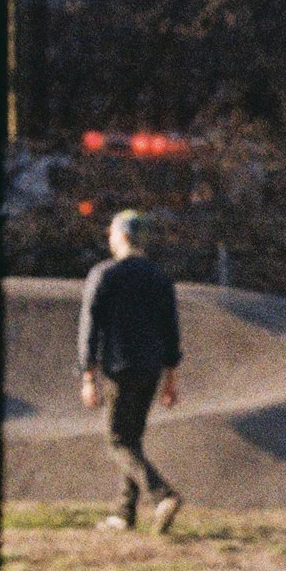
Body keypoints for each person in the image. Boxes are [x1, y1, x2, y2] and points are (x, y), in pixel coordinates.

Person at [76, 210, 184, 531]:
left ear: (122, 236)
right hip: (149, 371)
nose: (109, 239)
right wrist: (171, 380)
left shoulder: (104, 274)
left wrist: (88, 375)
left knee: (117, 442)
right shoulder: (160, 277)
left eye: (111, 234)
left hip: (118, 369)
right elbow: (172, 332)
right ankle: (125, 514)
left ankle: (162, 495)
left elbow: (89, 328)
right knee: (132, 438)